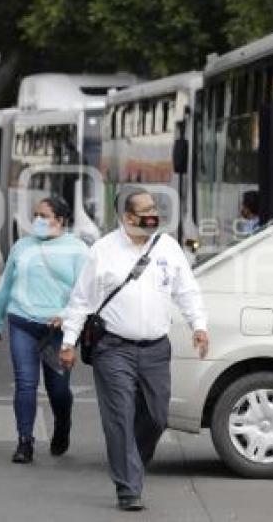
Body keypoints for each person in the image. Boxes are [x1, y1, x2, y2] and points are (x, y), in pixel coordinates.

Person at [59, 187, 209, 512]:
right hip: (113, 349)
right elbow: (81, 300)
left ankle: (133, 461)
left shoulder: (167, 247)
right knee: (119, 417)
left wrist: (199, 325)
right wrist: (69, 341)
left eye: (154, 207)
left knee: (156, 417)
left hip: (156, 349)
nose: (153, 213)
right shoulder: (103, 251)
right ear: (127, 217)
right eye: (146, 209)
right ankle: (128, 487)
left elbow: (187, 291)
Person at [0, 196, 89, 464]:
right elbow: (7, 285)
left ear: (61, 220)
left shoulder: (78, 250)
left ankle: (62, 424)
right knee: (25, 383)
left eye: (44, 216)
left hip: (58, 332)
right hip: (22, 322)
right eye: (36, 215)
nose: (38, 221)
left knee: (58, 390)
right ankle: (25, 442)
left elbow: (85, 294)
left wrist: (66, 316)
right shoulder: (22, 247)